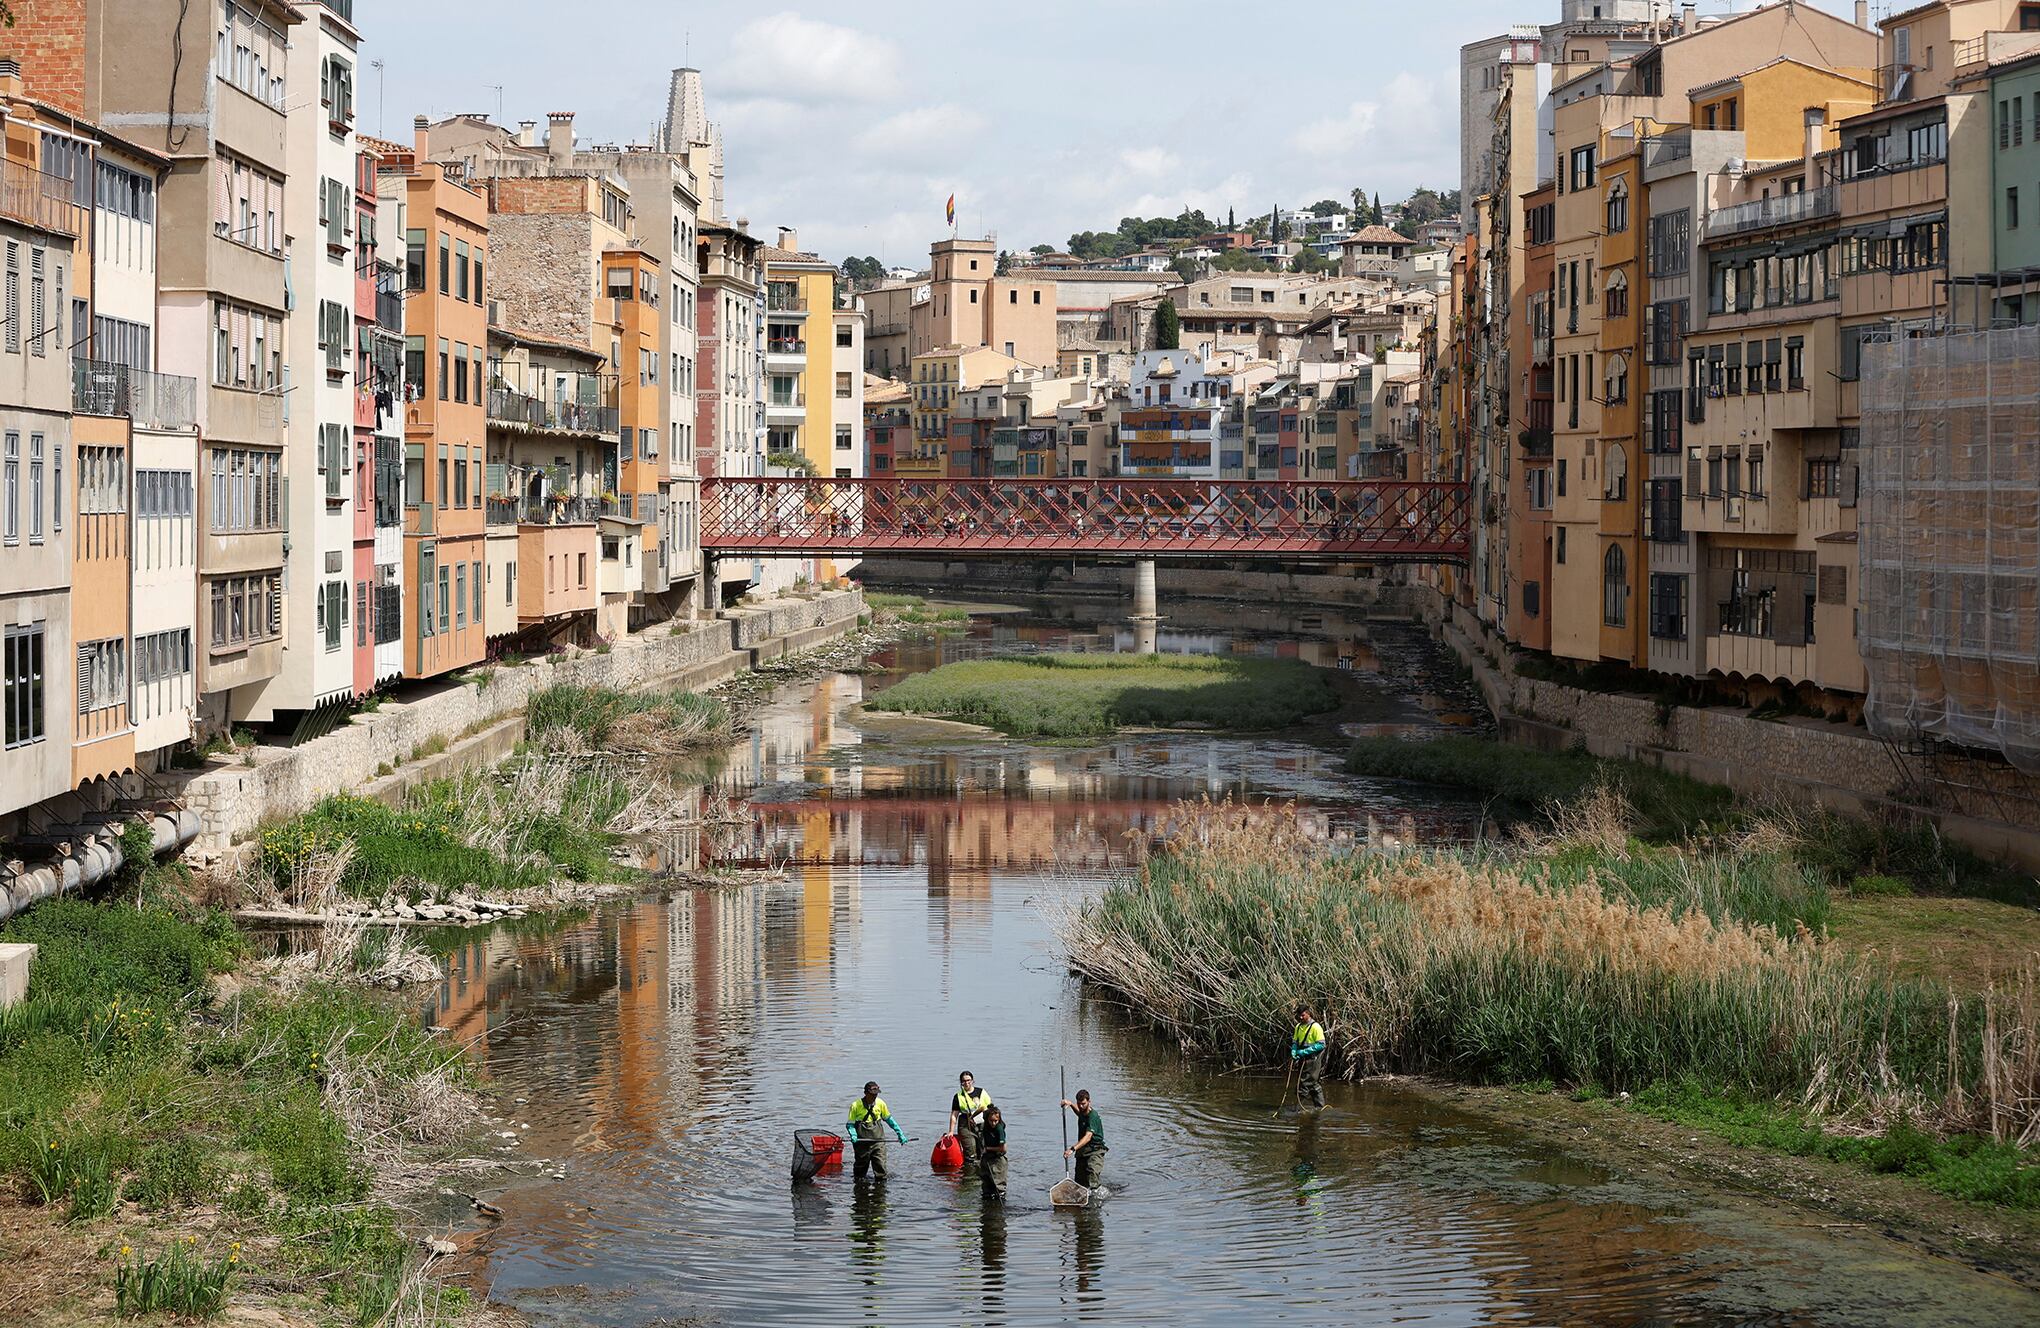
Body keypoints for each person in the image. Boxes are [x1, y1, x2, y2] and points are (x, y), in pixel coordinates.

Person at [847, 1081, 907, 1181]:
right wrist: (853, 1134)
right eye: (872, 1095)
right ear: (865, 1093)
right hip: (862, 1142)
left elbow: (889, 1120)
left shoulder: (880, 1103)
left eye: (876, 1094)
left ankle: (881, 1191)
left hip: (878, 1142)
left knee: (881, 1167)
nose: (874, 1097)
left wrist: (899, 1133)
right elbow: (850, 1124)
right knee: (860, 1170)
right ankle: (859, 1189)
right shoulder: (855, 1105)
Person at [1059, 1088, 1107, 1192]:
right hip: (1083, 1151)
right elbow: (1079, 1113)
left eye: (1083, 1104)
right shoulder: (1082, 1112)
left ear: (1089, 1102)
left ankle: (1095, 1197)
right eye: (1079, 1103)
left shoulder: (1093, 1116)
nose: (1081, 1106)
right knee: (1079, 1182)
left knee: (1092, 1174)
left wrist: (1072, 1149)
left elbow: (1088, 1136)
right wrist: (1070, 1104)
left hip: (1095, 1150)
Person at [948, 1071, 994, 1173]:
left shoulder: (981, 1092)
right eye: (963, 1081)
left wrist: (993, 1126)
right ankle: (969, 1176)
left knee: (982, 1150)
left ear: (972, 1081)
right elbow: (954, 1115)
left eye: (968, 1080)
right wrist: (951, 1131)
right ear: (961, 1083)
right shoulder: (958, 1096)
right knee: (970, 1152)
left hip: (982, 1123)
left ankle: (982, 1175)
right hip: (965, 1123)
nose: (966, 1083)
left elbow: (991, 1109)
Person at [1291, 1003, 1327, 1110]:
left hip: (1313, 1060)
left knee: (1303, 1084)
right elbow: (1295, 1042)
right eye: (1299, 1016)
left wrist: (1304, 1052)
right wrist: (1294, 1050)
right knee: (1313, 1084)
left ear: (1308, 1014)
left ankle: (1297, 1110)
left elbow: (1321, 1044)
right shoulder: (1298, 1027)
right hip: (1303, 1060)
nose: (1300, 1018)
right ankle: (1320, 1108)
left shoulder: (1316, 1027)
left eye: (1303, 1015)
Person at [979, 1104, 1008, 1201]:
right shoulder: (985, 1126)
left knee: (998, 1187)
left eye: (996, 1121)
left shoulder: (999, 1129)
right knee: (986, 1184)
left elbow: (1003, 1149)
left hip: (997, 1159)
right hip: (986, 1158)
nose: (993, 1123)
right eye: (991, 1121)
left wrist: (988, 1149)